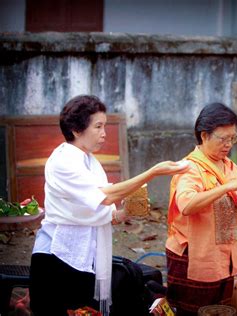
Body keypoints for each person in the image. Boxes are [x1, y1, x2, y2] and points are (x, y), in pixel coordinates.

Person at [29, 95, 189, 316]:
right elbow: (104, 197)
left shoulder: (89, 161)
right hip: (58, 257)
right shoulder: (63, 160)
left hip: (83, 255)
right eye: (98, 126)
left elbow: (101, 212)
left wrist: (126, 212)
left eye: (104, 126)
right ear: (76, 129)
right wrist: (153, 172)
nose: (104, 133)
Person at [165, 103, 237, 315]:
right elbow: (187, 205)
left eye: (232, 138)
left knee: (220, 308)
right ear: (204, 136)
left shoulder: (230, 166)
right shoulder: (190, 168)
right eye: (223, 138)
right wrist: (226, 187)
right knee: (192, 310)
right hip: (193, 256)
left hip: (224, 255)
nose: (228, 144)